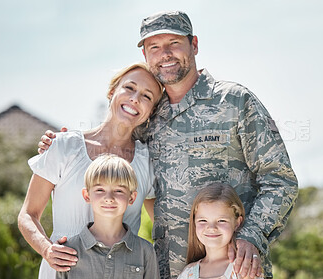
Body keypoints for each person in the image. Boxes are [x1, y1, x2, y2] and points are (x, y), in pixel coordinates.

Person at [39, 10, 299, 279]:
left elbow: (280, 180)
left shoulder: (234, 102)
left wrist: (251, 237)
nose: (165, 54)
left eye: (174, 43)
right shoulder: (147, 116)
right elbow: (112, 146)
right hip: (167, 270)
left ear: (194, 44)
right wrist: (61, 141)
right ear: (146, 56)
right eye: (154, 47)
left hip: (233, 267)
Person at [18, 62, 163, 279]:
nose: (135, 99)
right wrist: (47, 249)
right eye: (130, 88)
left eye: (147, 96)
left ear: (151, 111)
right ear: (112, 91)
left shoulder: (147, 161)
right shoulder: (63, 146)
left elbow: (162, 226)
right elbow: (28, 214)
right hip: (61, 271)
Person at [56, 154, 159, 279]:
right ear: (87, 195)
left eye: (119, 191)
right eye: (100, 190)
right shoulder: (69, 250)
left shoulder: (145, 251)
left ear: (131, 198)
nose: (109, 198)